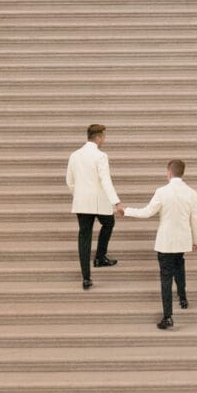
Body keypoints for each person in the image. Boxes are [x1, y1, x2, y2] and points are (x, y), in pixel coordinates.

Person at [120, 158, 197, 328]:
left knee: (165, 278)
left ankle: (168, 316)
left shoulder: (162, 192)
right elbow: (195, 219)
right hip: (183, 240)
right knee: (180, 267)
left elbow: (147, 212)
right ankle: (183, 298)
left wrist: (126, 211)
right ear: (182, 173)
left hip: (165, 241)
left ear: (169, 173)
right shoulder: (191, 193)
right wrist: (196, 240)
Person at [66, 121, 120, 289]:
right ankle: (100, 257)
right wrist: (116, 201)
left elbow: (69, 181)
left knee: (84, 237)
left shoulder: (74, 155)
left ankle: (86, 277)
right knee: (108, 223)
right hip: (99, 201)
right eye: (103, 136)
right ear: (98, 137)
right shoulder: (101, 156)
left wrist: (79, 194)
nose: (104, 139)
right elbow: (106, 181)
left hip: (81, 202)